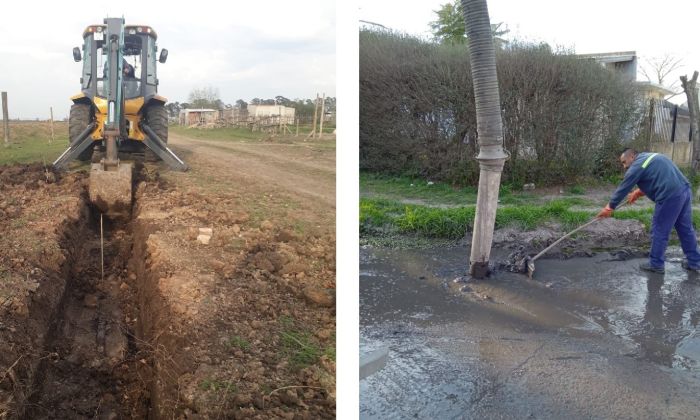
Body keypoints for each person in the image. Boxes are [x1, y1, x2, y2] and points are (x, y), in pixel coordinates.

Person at [597, 148, 700, 273]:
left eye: (624, 162)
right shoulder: (650, 157)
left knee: (659, 230)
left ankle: (656, 264)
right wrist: (638, 192)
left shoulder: (637, 166)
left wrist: (610, 207)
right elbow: (657, 177)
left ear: (632, 157)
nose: (624, 166)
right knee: (685, 229)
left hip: (669, 196)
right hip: (684, 191)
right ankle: (695, 262)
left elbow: (624, 187)